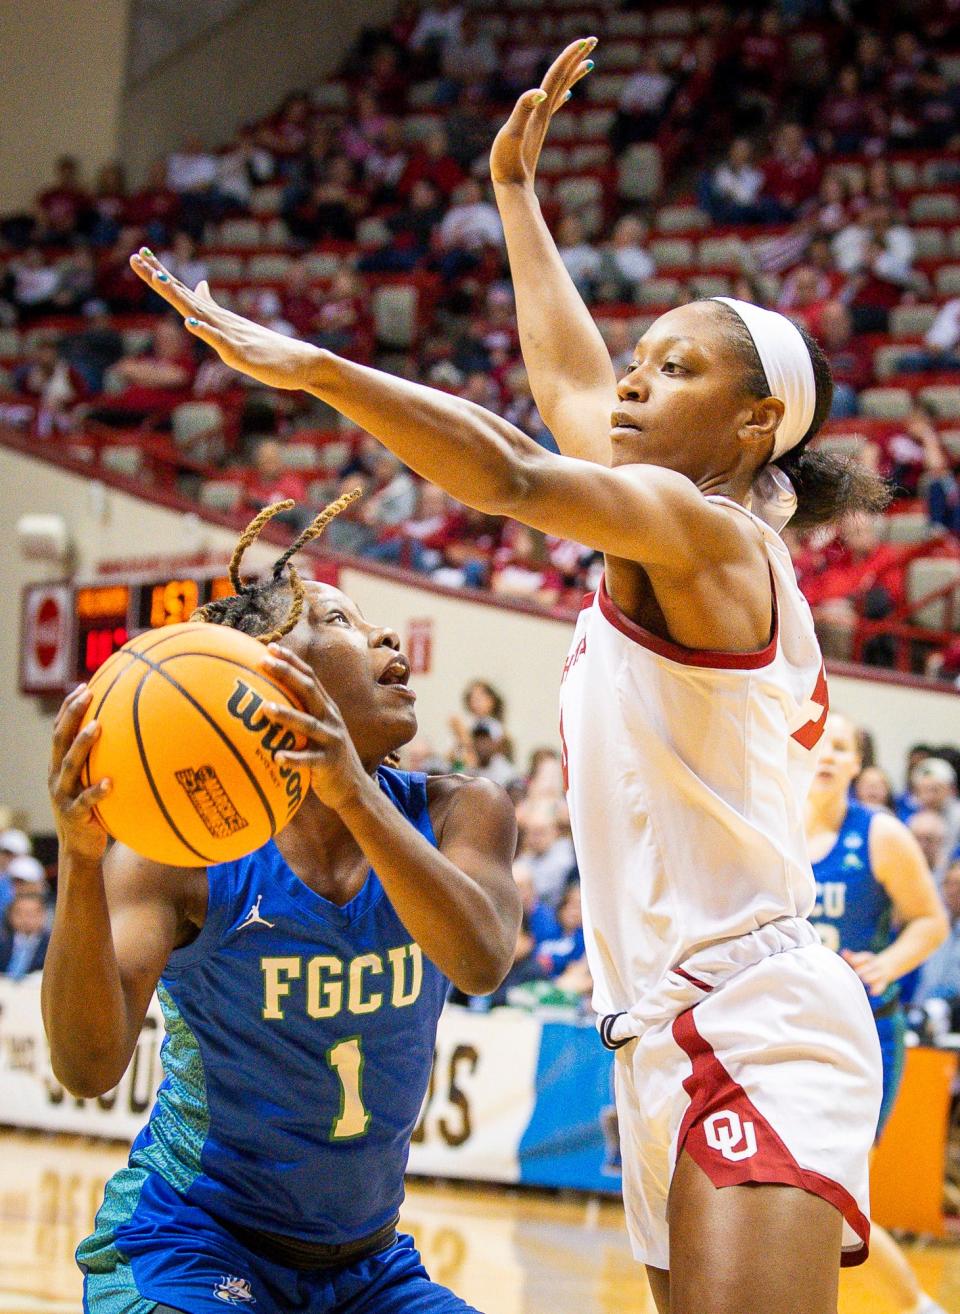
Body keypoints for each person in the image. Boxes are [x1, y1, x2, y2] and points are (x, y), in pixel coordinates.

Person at [133, 34, 894, 1305]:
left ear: (758, 424)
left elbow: (516, 472)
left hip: (753, 1012)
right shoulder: (682, 527)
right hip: (658, 1026)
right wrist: (516, 204)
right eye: (643, 363)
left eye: (680, 369)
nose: (638, 382)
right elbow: (574, 386)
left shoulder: (710, 537)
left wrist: (320, 370)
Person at [43, 498, 521, 1314]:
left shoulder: (461, 811)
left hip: (371, 1269)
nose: (385, 638)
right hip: (191, 1245)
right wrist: (80, 864)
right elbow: (87, 1070)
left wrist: (352, 794)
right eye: (338, 620)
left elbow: (478, 963)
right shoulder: (178, 854)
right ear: (264, 676)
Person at [805, 712, 948, 1314]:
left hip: (863, 1034)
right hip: (784, 1029)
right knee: (792, 1188)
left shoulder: (881, 834)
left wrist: (888, 962)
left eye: (842, 747)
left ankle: (914, 1304)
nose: (828, 755)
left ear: (858, 765)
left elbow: (931, 921)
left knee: (834, 1193)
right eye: (818, 741)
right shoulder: (767, 826)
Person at [0, 890, 50, 979]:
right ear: (10, 915)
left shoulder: (51, 947)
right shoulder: (3, 943)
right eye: (20, 913)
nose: (25, 918)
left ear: (43, 915)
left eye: (31, 914)